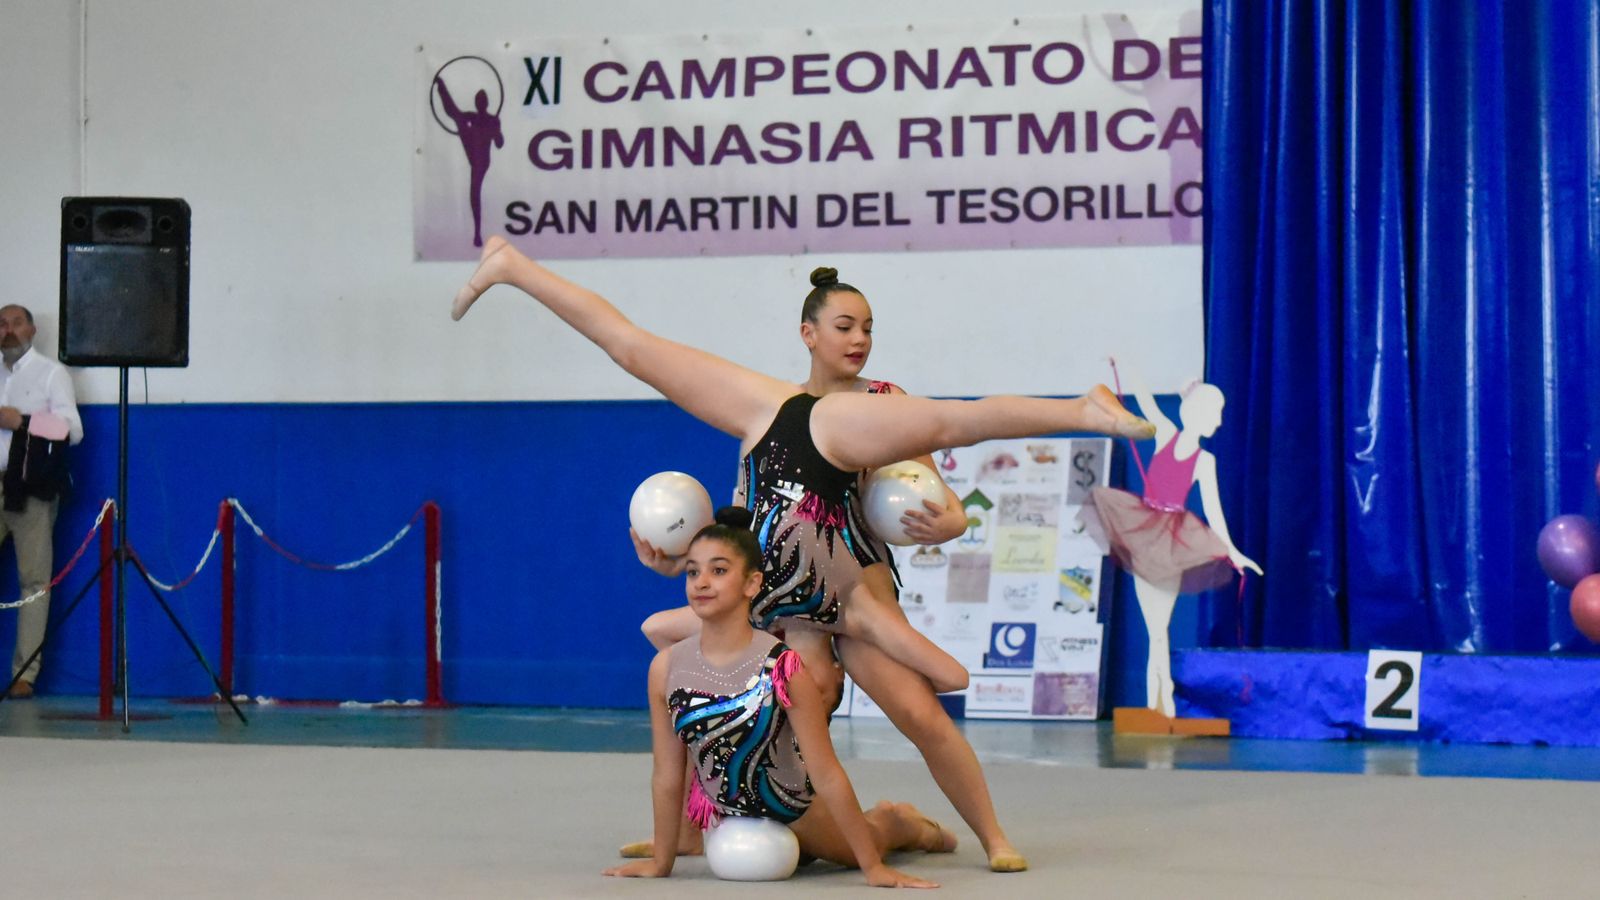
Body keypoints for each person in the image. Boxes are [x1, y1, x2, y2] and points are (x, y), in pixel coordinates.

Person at [626, 268, 1029, 871]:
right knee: (722, 694)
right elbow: (747, 523)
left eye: (867, 328)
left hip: (857, 597)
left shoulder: (885, 402)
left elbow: (937, 496)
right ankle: (693, 827)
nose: (858, 339)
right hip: (780, 600)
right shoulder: (774, 412)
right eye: (844, 327)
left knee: (919, 713)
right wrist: (679, 559)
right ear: (808, 333)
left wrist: (951, 524)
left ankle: (993, 837)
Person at [602, 509, 950, 888]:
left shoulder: (781, 666)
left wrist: (873, 868)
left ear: (752, 584)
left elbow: (825, 771)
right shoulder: (666, 668)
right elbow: (667, 776)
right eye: (692, 571)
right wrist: (661, 862)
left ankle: (903, 822)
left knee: (867, 843)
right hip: (728, 818)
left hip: (794, 808)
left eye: (718, 571)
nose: (701, 582)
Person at [1087, 372, 1261, 717]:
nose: (1219, 420)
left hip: (1170, 543)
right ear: (1197, 412)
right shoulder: (1165, 435)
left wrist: (1233, 552)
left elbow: (1215, 513)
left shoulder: (1204, 461)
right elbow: (1146, 401)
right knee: (1153, 627)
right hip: (1143, 533)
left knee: (1159, 627)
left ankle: (1162, 699)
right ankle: (1158, 700)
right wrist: (1125, 362)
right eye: (1216, 412)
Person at [0, 305, 83, 700]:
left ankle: (24, 674)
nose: (9, 330)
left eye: (16, 323)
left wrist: (23, 422)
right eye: (2, 324)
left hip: (30, 486)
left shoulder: (50, 373)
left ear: (32, 329)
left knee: (33, 580)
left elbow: (72, 430)